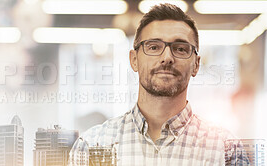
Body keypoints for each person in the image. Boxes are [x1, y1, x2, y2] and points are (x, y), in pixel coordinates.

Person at [69, 3, 247, 166]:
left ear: (196, 65)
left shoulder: (225, 151)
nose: (167, 58)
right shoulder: (92, 145)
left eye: (180, 49)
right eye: (153, 47)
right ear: (134, 60)